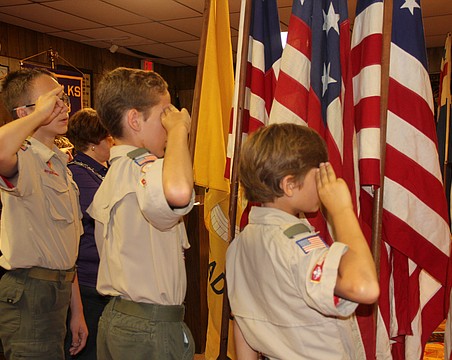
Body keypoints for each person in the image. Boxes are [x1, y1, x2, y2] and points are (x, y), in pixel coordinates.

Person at [226, 123, 380, 359]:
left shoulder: (239, 245)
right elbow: (364, 287)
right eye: (318, 176)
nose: (324, 185)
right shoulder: (297, 245)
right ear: (289, 185)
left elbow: (243, 323)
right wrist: (342, 210)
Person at [87, 67, 195, 360]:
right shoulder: (145, 169)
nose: (169, 120)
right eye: (164, 114)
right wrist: (179, 131)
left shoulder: (117, 171)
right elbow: (179, 193)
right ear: (135, 119)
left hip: (120, 317)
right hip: (149, 327)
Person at [0, 68, 88, 358]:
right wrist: (39, 115)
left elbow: (65, 248)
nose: (64, 107)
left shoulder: (60, 164)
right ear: (24, 113)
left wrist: (77, 311)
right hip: (30, 292)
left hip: (58, 291)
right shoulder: (23, 157)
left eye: (63, 99)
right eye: (53, 102)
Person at [64, 108, 113, 359]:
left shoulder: (100, 171)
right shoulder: (79, 174)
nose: (112, 143)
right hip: (87, 281)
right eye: (109, 138)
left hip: (102, 278)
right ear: (95, 142)